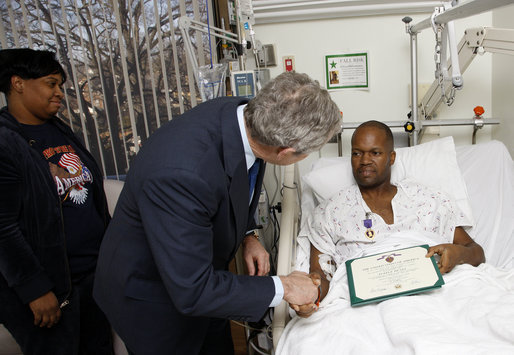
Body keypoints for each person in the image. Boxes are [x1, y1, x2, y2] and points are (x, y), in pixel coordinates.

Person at [93, 71, 342, 354]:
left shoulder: (247, 117)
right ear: (284, 152)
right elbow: (193, 290)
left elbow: (234, 180)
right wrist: (285, 287)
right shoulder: (181, 175)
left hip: (204, 278)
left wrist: (248, 234)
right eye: (304, 153)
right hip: (153, 298)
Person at [290, 120, 486, 318]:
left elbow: (476, 252)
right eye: (357, 153)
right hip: (367, 309)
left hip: (434, 301)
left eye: (375, 153)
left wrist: (457, 253)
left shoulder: (427, 200)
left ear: (391, 157)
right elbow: (321, 276)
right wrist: (311, 295)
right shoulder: (331, 211)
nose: (365, 160)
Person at [0, 48, 113, 354]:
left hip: (91, 278)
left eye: (60, 85)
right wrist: (35, 289)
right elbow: (3, 227)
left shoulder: (57, 130)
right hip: (49, 290)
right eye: (51, 83)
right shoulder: (6, 142)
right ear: (18, 83)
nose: (59, 93)